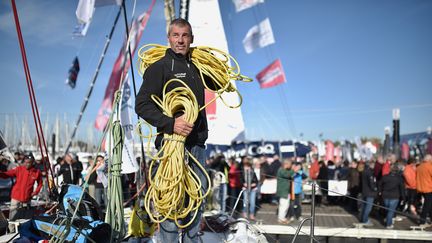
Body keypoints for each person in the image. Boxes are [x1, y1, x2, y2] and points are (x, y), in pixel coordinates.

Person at [135, 18, 213, 243]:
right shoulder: (159, 67)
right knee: (169, 201)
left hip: (197, 145)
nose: (180, 40)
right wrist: (171, 123)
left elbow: (219, 82)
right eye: (176, 35)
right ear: (169, 38)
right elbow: (142, 105)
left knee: (196, 200)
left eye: (185, 35)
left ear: (191, 39)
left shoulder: (199, 67)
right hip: (171, 146)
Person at [0, 154, 42, 223]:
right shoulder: (19, 169)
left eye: (28, 162)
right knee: (12, 217)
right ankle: (11, 230)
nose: (26, 164)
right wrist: (1, 174)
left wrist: (35, 192)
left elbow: (40, 184)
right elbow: (7, 174)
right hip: (16, 197)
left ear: (32, 163)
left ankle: (23, 230)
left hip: (27, 199)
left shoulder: (37, 172)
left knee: (25, 218)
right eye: (25, 162)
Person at [379, 164, 405, 229]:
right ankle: (388, 224)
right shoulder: (399, 178)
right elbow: (402, 188)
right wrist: (403, 197)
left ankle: (388, 219)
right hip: (394, 196)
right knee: (390, 211)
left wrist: (380, 192)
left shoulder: (385, 177)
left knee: (388, 209)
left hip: (385, 196)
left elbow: (379, 184)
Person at [416, 154, 432, 226]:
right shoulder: (429, 166)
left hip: (421, 188)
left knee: (429, 204)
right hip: (429, 188)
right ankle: (422, 221)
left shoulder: (419, 166)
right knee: (427, 205)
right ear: (429, 160)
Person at [360, 160, 378, 225]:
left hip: (364, 191)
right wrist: (375, 189)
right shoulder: (369, 172)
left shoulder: (363, 171)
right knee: (368, 207)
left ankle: (362, 218)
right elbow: (371, 183)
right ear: (370, 165)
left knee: (364, 206)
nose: (374, 166)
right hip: (369, 193)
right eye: (373, 165)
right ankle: (365, 221)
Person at [276, 158, 293, 224]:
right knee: (283, 205)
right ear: (286, 164)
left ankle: (282, 217)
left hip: (286, 191)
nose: (291, 166)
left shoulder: (284, 170)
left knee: (286, 205)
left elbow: (288, 174)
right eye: (290, 164)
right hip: (283, 191)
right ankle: (281, 218)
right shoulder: (281, 170)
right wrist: (294, 170)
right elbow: (287, 175)